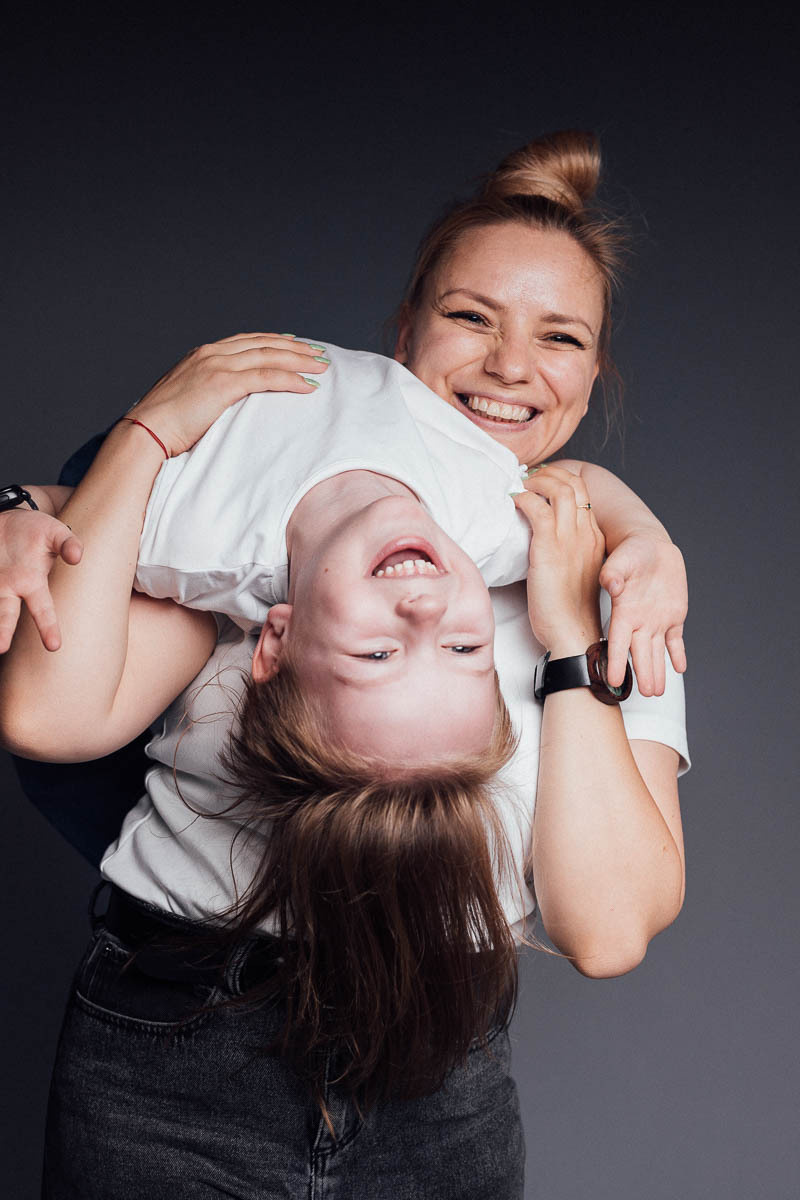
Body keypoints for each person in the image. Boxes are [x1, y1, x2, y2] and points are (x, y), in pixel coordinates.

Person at [0, 130, 688, 1198]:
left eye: (559, 338)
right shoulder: (273, 542)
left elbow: (604, 929)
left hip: (435, 1076)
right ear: (405, 322)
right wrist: (27, 502)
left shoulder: (612, 587)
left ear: (591, 375)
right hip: (173, 1048)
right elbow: (69, 586)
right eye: (469, 316)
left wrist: (565, 635)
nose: (511, 367)